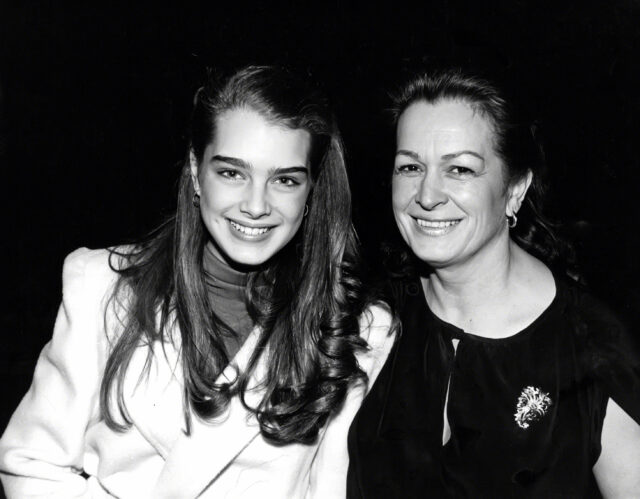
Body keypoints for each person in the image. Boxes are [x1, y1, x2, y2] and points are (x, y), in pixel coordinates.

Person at [0, 65, 394, 498]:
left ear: (311, 190)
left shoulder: (356, 329)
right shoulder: (104, 287)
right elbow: (31, 464)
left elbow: (331, 491)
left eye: (284, 180)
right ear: (195, 168)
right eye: (232, 173)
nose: (256, 205)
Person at [347, 68, 640, 498]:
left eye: (460, 170)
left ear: (516, 189)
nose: (427, 195)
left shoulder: (590, 348)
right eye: (410, 166)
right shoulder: (369, 319)